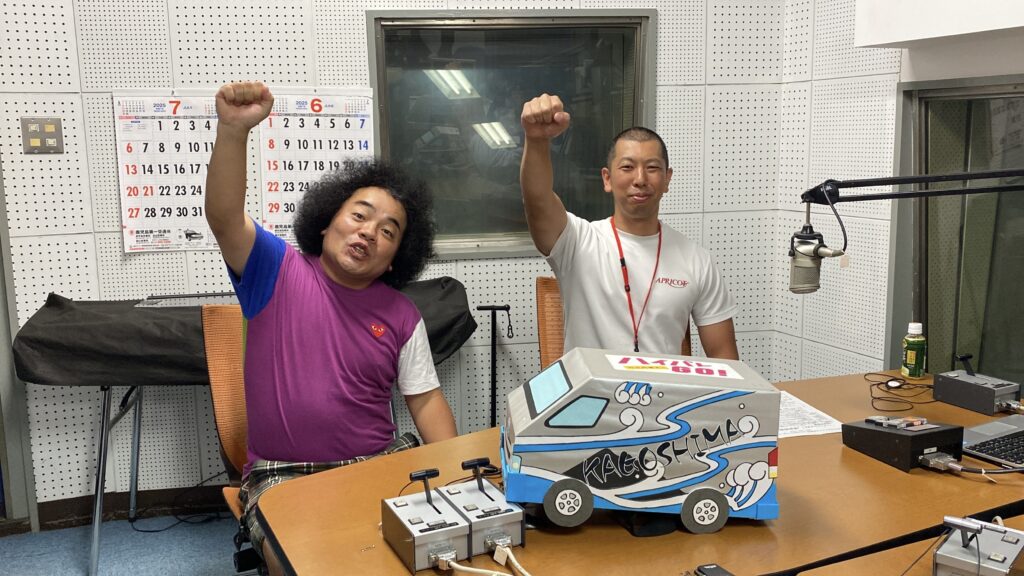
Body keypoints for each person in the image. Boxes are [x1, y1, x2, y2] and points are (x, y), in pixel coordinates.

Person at [206, 81, 458, 571]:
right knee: (308, 565)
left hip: (377, 463)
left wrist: (454, 479)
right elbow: (224, 216)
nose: (368, 231)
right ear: (326, 222)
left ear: (395, 258)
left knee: (433, 553)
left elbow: (426, 400)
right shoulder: (274, 269)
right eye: (359, 215)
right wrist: (233, 131)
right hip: (282, 474)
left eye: (388, 231)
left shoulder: (403, 315)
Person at [520, 93, 739, 360]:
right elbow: (537, 198)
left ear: (667, 179)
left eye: (652, 168)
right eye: (627, 167)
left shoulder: (697, 260)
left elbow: (724, 357)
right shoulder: (577, 241)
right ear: (607, 178)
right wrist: (536, 140)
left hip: (663, 387)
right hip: (591, 387)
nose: (640, 179)